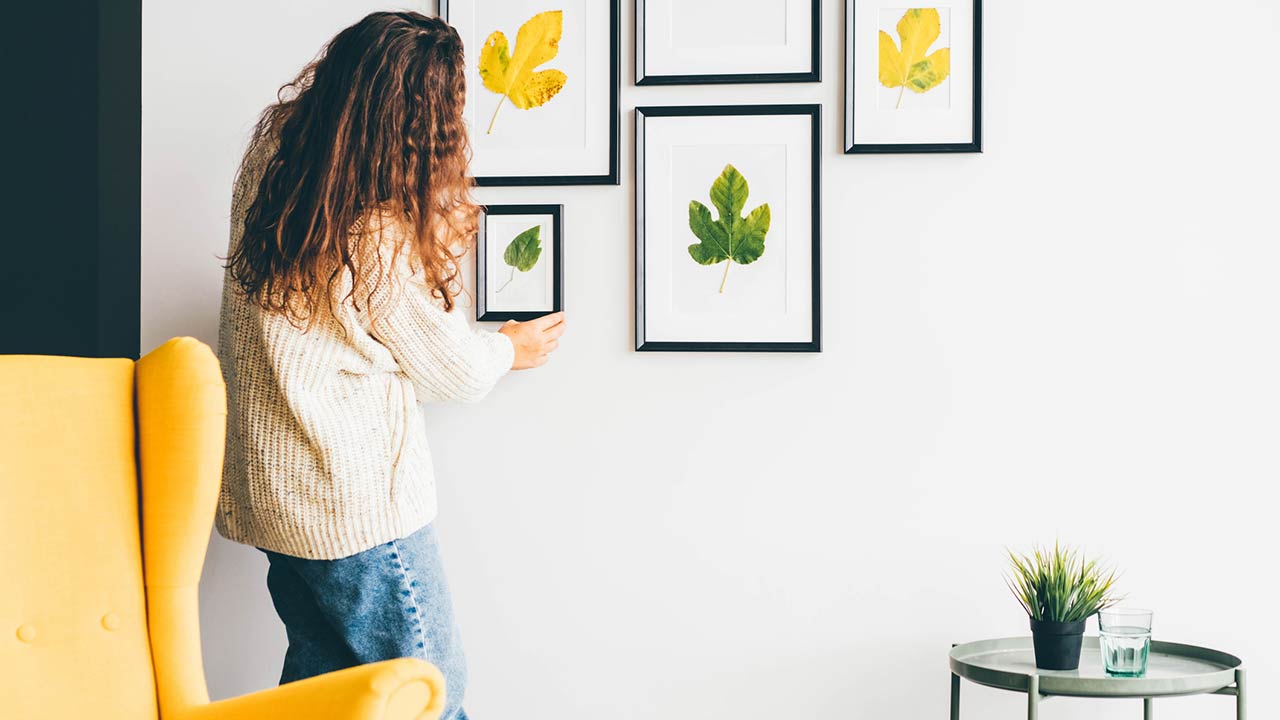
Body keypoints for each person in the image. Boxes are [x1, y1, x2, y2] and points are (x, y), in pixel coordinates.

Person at [215, 12, 563, 720]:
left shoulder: (274, 157)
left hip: (274, 496)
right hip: (353, 511)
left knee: (322, 694)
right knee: (430, 693)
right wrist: (510, 347)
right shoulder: (375, 229)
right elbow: (454, 370)